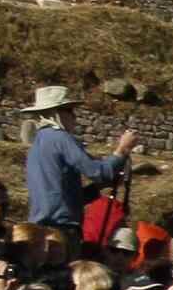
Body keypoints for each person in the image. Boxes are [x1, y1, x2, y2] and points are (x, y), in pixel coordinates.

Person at [23, 84, 136, 238]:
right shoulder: (61, 139)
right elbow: (99, 172)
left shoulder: (37, 146)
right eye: (69, 111)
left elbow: (64, 197)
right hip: (61, 230)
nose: (74, 116)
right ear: (56, 113)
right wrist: (121, 150)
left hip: (40, 230)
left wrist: (98, 188)